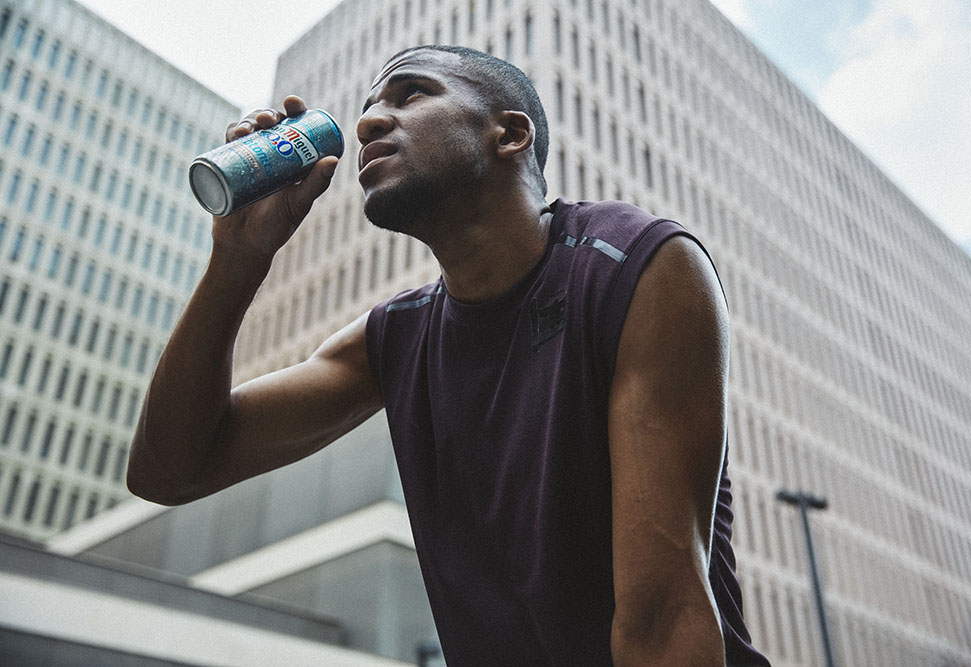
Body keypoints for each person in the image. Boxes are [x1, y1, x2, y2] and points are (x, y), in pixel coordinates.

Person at [128, 45, 770, 666]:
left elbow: (658, 620)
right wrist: (238, 259)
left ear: (510, 135)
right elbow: (169, 470)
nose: (370, 120)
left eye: (411, 94)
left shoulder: (636, 264)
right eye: (370, 104)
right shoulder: (395, 338)